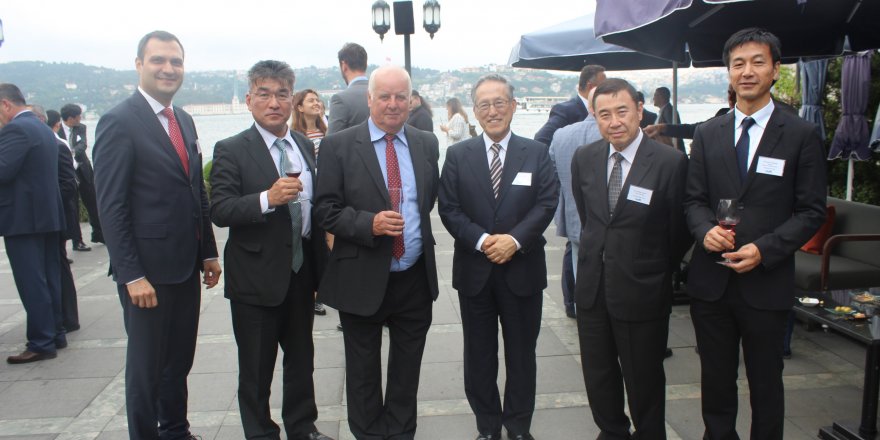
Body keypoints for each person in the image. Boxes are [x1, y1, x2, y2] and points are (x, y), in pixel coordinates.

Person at [684, 28, 826, 440]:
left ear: (775, 70)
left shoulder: (800, 134)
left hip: (766, 281)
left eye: (757, 62)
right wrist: (704, 231)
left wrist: (765, 250)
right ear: (729, 72)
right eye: (738, 64)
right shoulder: (708, 132)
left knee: (766, 383)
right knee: (715, 380)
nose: (747, 72)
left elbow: (811, 211)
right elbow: (693, 200)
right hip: (712, 282)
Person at [93, 30, 221, 440]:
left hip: (185, 267)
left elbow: (195, 191)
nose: (168, 69)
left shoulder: (183, 119)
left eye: (176, 61)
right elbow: (110, 207)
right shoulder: (118, 122)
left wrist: (208, 251)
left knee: (179, 360)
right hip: (146, 274)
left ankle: (176, 431)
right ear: (139, 65)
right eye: (158, 60)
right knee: (146, 369)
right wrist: (131, 274)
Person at [314, 65, 440, 440]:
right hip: (361, 276)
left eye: (401, 96)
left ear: (411, 100)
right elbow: (325, 210)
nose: (393, 103)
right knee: (362, 372)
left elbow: (427, 201)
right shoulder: (338, 145)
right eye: (384, 96)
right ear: (370, 99)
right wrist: (369, 223)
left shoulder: (426, 143)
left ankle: (400, 433)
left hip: (414, 277)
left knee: (407, 370)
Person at [210, 60, 333, 440]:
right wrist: (267, 198)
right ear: (249, 100)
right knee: (256, 368)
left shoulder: (302, 145)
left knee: (302, 360)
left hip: (300, 272)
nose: (274, 102)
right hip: (255, 278)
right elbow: (220, 210)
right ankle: (261, 433)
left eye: (282, 94)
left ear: (291, 100)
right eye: (264, 94)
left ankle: (303, 428)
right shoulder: (231, 149)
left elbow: (315, 209)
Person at [438, 74, 558, 440]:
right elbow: (449, 208)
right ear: (475, 111)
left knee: (522, 355)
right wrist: (484, 240)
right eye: (484, 105)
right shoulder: (458, 155)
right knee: (479, 356)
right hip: (475, 272)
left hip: (522, 270)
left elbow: (546, 202)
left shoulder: (536, 152)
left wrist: (515, 241)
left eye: (499, 103)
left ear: (513, 106)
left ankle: (518, 427)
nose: (492, 111)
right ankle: (487, 427)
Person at [571, 78, 691, 439]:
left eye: (622, 111)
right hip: (593, 289)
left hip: (643, 290)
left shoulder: (670, 162)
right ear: (594, 117)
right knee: (599, 375)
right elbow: (591, 218)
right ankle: (612, 433)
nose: (614, 122)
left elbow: (679, 231)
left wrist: (650, 267)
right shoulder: (585, 157)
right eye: (604, 114)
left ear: (639, 110)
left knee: (645, 380)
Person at [0, 84, 67, 364]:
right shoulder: (40, 127)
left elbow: (3, 171)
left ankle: (41, 342)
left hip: (23, 218)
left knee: (32, 282)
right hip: (46, 216)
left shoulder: (16, 129)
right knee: (49, 278)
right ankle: (56, 333)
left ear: (5, 104)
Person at [548, 87, 602, 319]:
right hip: (611, 227)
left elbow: (551, 175)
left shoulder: (561, 135)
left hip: (574, 220)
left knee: (583, 282)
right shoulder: (615, 134)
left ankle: (585, 320)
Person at [39, 106, 81, 332]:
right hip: (45, 220)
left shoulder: (58, 146)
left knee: (59, 266)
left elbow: (68, 184)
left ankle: (68, 318)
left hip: (56, 217)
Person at [292, 88, 331, 317]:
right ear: (299, 107)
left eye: (318, 100)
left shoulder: (328, 131)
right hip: (308, 196)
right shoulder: (295, 136)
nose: (316, 103)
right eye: (311, 100)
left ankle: (323, 289)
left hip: (327, 191)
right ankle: (316, 295)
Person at [58, 103, 103, 248]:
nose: (80, 119)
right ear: (70, 118)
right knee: (73, 207)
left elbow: (82, 145)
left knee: (92, 201)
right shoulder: (58, 129)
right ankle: (77, 240)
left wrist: (71, 152)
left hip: (83, 169)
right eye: (78, 117)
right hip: (68, 172)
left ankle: (99, 233)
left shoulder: (81, 128)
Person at [534, 64, 606, 146]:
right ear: (591, 87)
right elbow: (541, 139)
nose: (606, 89)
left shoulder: (603, 109)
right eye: (603, 85)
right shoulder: (565, 110)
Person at [328, 42, 370, 134]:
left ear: (344, 66)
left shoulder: (340, 99)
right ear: (365, 65)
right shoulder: (381, 94)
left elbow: (332, 140)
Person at [652, 87, 687, 154]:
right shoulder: (665, 110)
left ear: (661, 97)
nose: (653, 98)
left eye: (655, 95)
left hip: (671, 152)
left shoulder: (669, 111)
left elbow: (674, 131)